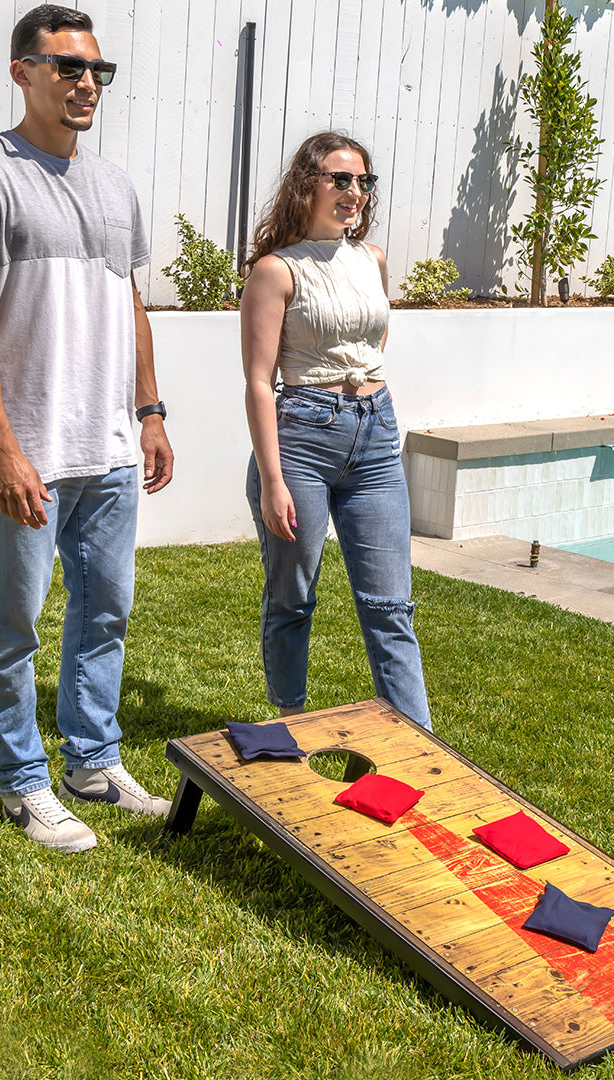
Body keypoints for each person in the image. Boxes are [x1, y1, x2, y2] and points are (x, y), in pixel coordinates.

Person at [0, 4, 174, 852]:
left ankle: (92, 761)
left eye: (97, 71)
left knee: (105, 610)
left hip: (107, 444)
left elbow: (131, 304)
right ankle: (22, 781)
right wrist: (2, 450)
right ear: (21, 71)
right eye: (67, 66)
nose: (85, 84)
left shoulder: (113, 186)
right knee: (14, 623)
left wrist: (149, 410)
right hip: (27, 450)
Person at [241, 131, 432, 730]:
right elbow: (257, 381)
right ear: (308, 185)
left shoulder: (370, 258)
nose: (355, 192)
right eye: (340, 179)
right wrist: (272, 480)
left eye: (363, 181)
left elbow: (372, 338)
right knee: (294, 595)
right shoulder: (275, 271)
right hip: (302, 437)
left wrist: (364, 389)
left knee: (390, 604)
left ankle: (420, 744)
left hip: (375, 435)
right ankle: (290, 724)